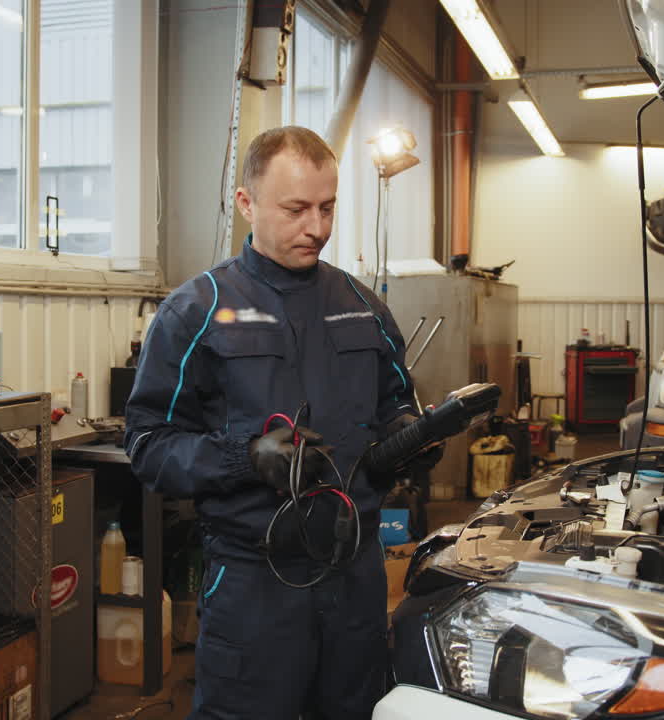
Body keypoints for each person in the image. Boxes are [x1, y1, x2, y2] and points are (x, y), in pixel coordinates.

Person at [123, 125, 440, 719]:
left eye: (327, 208)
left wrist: (409, 437)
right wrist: (243, 457)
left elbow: (395, 402)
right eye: (296, 209)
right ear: (247, 203)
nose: (316, 227)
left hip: (355, 577)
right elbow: (147, 444)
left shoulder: (363, 306)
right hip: (254, 583)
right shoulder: (196, 311)